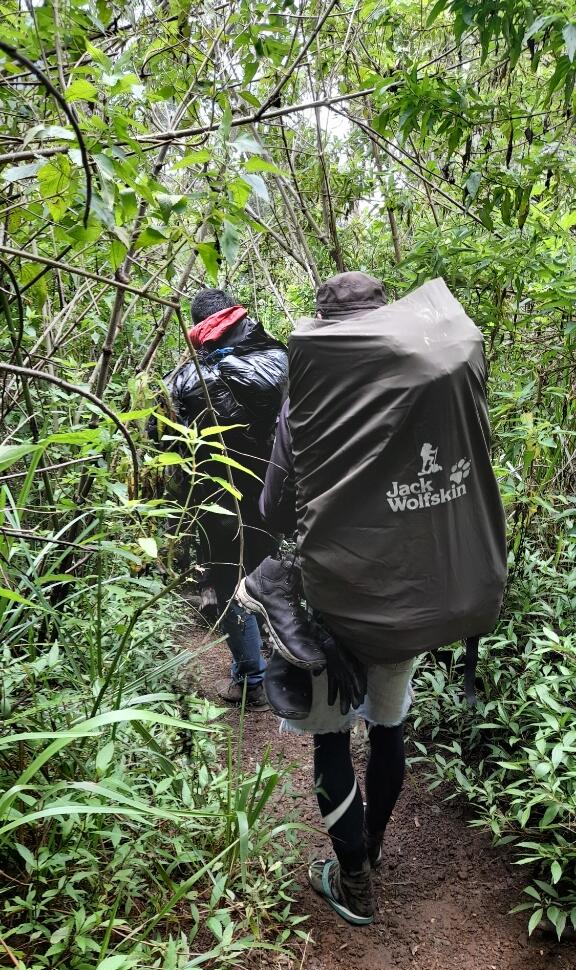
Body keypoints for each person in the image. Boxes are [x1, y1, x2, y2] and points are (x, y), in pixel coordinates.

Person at [237, 271, 506, 924]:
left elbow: (274, 507)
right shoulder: (432, 382)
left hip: (336, 610)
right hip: (414, 594)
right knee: (389, 729)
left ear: (327, 329)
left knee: (331, 742)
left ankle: (353, 876)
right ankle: (375, 845)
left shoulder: (312, 397)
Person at [152, 287, 288, 709]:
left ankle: (250, 677)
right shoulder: (277, 361)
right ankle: (277, 659)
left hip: (215, 499)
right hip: (271, 491)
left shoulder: (184, 378)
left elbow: (162, 441)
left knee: (230, 579)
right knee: (265, 571)